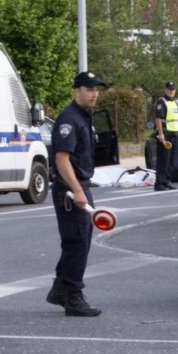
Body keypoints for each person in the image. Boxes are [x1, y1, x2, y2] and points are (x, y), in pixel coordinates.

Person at [46, 70, 106, 318]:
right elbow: (62, 159)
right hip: (70, 191)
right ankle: (72, 296)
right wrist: (77, 189)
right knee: (76, 243)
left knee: (80, 241)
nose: (94, 94)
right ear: (77, 90)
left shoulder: (83, 116)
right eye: (89, 89)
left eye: (96, 89)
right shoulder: (69, 119)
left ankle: (60, 288)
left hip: (79, 185)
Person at [152, 81, 178, 192]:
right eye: (169, 89)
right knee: (163, 160)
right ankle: (160, 184)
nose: (171, 91)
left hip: (173, 134)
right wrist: (161, 134)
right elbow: (158, 118)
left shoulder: (173, 102)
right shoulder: (161, 101)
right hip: (165, 134)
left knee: (171, 161)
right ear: (165, 90)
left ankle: (167, 181)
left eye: (173, 89)